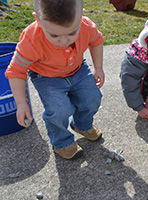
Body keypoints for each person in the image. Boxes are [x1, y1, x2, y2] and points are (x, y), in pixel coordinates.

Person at [5, 0, 104, 160]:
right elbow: (16, 71)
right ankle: (62, 143)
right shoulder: (31, 39)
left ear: (82, 15)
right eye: (54, 35)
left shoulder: (86, 26)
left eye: (72, 33)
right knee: (59, 110)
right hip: (47, 78)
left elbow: (96, 41)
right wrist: (21, 103)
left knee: (92, 98)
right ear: (38, 20)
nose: (64, 41)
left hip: (78, 70)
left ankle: (82, 125)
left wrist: (98, 67)